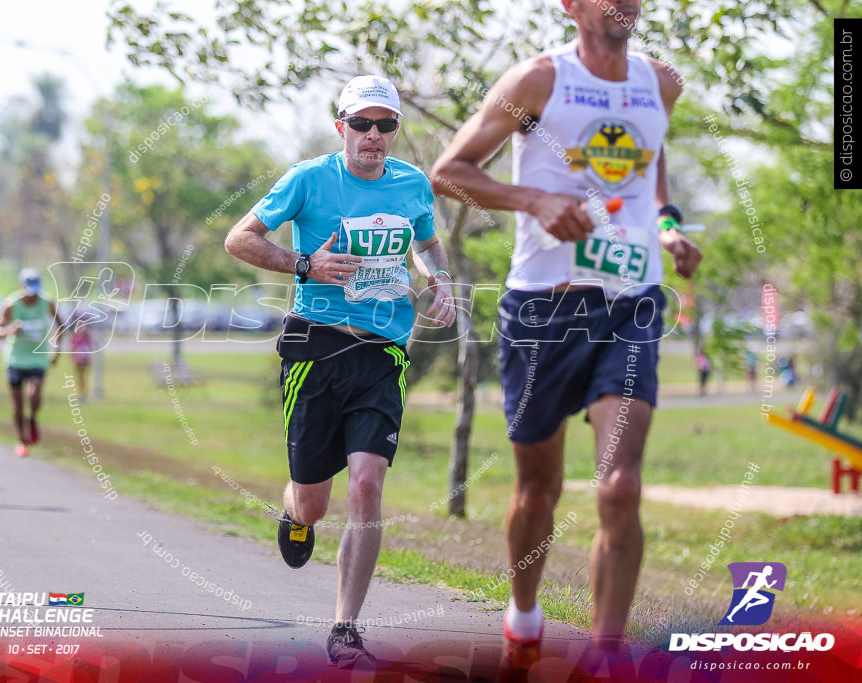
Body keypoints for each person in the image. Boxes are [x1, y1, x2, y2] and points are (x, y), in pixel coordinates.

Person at [431, 0, 702, 669]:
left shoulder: (660, 82)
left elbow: (649, 155)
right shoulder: (536, 81)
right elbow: (450, 170)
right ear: (571, 6)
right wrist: (535, 200)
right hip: (542, 314)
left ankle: (606, 654)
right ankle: (523, 609)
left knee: (619, 486)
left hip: (629, 307)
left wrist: (666, 225)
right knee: (537, 492)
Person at [224, 74, 456, 669]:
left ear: (395, 132)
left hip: (383, 349)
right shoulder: (309, 179)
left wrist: (441, 279)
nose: (373, 136)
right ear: (341, 127)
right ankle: (294, 510)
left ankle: (345, 627)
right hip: (315, 346)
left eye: (385, 125)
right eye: (361, 123)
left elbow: (428, 242)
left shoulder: (412, 185)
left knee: (367, 482)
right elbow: (239, 239)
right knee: (314, 501)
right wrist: (305, 262)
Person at [0, 268, 62, 457]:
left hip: (38, 357)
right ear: (22, 287)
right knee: (18, 403)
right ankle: (22, 441)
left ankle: (33, 419)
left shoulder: (47, 302)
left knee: (35, 393)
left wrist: (57, 351)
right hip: (15, 358)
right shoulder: (11, 304)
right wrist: (9, 330)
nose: (33, 295)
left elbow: (60, 326)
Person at [69, 323, 95, 402]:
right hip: (79, 361)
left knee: (82, 378)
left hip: (84, 361)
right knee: (80, 378)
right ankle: (82, 393)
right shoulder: (78, 339)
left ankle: (83, 393)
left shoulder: (86, 339)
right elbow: (73, 349)